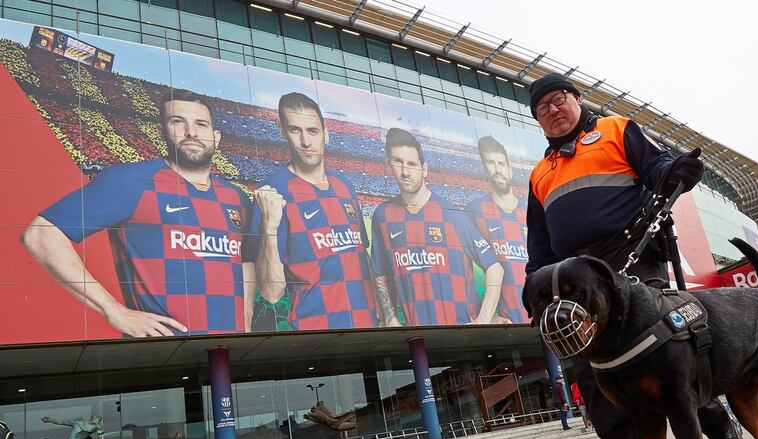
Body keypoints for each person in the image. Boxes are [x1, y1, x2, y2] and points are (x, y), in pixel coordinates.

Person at [524, 72, 751, 439]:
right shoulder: (539, 174)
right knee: (595, 380)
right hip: (581, 287)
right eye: (541, 107)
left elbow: (659, 169)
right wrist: (536, 285)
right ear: (538, 120)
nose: (552, 109)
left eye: (558, 98)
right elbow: (540, 245)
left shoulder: (615, 130)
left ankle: (722, 431)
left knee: (671, 364)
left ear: (576, 99)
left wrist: (677, 172)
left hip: (635, 265)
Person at [23, 89, 255, 337]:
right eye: (178, 122)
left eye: (201, 124)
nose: (191, 132)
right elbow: (41, 235)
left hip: (229, 349)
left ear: (216, 136)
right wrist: (113, 310)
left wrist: (246, 317)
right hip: (163, 353)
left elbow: (245, 260)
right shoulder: (131, 181)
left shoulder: (236, 196)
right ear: (161, 131)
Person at [249, 92, 376, 330]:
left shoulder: (344, 186)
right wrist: (269, 227)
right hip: (315, 332)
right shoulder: (273, 192)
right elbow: (271, 291)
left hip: (367, 326)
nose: (306, 142)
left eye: (313, 131)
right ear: (282, 131)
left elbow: (363, 259)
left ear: (326, 134)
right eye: (296, 130)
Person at [371, 128, 505, 326]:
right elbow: (381, 274)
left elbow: (495, 267)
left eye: (412, 164)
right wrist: (390, 319)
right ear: (388, 163)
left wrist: (484, 318)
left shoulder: (451, 215)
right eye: (398, 162)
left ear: (424, 169)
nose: (405, 172)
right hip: (417, 336)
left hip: (460, 335)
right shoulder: (382, 216)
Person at [467, 136, 528, 323]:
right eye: (491, 163)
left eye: (501, 163)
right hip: (506, 322)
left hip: (539, 314)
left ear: (510, 170)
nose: (497, 169)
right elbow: (467, 269)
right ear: (484, 170)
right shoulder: (475, 210)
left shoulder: (529, 210)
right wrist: (488, 315)